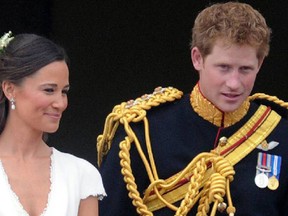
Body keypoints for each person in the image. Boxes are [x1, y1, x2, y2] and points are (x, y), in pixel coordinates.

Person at [97, 2, 288, 216]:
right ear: (197, 58)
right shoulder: (143, 132)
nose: (234, 83)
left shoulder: (280, 133)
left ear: (260, 64)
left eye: (245, 69)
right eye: (223, 68)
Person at [0, 31, 106, 216]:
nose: (61, 103)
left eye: (64, 92)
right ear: (10, 89)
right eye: (49, 90)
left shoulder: (80, 174)